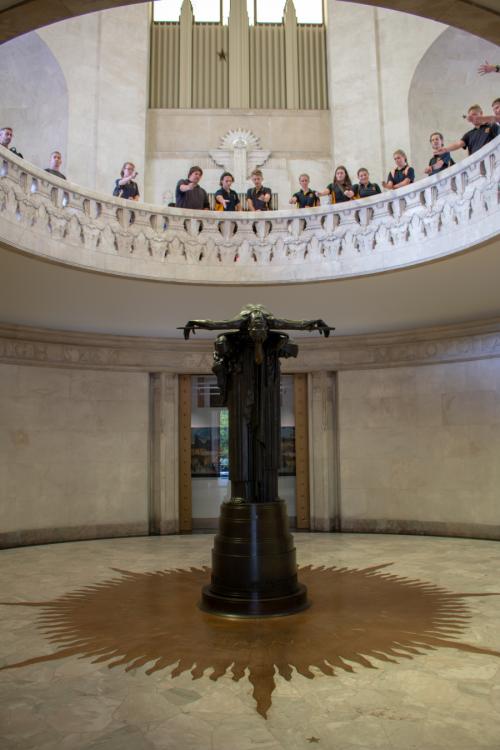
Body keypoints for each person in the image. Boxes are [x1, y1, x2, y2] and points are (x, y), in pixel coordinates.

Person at [436, 105, 500, 158]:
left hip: (492, 158)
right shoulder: (469, 134)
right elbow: (458, 144)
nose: (472, 118)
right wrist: (446, 149)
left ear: (481, 113)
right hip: (477, 164)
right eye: (471, 116)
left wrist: (481, 119)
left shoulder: (492, 125)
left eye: (475, 114)